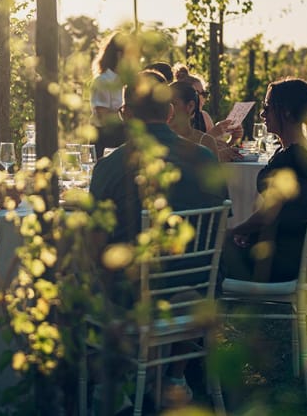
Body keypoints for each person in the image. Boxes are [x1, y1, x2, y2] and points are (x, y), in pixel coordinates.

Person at [88, 70, 228, 404]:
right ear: (169, 113)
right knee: (187, 271)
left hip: (139, 299)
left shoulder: (111, 165)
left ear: (126, 114)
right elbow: (221, 224)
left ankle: (113, 383)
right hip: (199, 292)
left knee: (79, 279)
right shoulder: (206, 158)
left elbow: (93, 241)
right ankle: (175, 376)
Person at [221, 78, 307, 283]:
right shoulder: (291, 150)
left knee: (207, 250)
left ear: (285, 111)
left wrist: (234, 231)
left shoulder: (294, 157)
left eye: (267, 108)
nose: (262, 114)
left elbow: (269, 216)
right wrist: (249, 234)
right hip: (274, 249)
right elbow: (282, 213)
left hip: (273, 261)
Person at [168, 80, 241, 162]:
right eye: (164, 104)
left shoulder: (206, 141)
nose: (167, 109)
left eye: (173, 104)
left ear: (190, 106)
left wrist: (232, 141)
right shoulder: (156, 138)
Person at [90, 31, 127, 158]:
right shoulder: (103, 81)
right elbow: (103, 117)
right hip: (106, 142)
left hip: (123, 140)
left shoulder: (126, 81)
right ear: (119, 55)